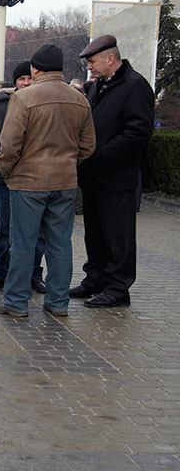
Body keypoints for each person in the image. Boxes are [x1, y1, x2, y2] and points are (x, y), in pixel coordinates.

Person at [0, 44, 95, 317]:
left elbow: (9, 145)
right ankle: (58, 303)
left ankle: (16, 302)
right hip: (65, 182)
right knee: (60, 243)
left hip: (28, 182)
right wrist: (69, 163)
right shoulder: (79, 99)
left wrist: (9, 171)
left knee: (23, 243)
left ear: (35, 69)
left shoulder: (23, 98)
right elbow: (88, 145)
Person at [71, 34, 155, 308]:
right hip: (94, 175)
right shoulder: (99, 86)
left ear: (111, 58)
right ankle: (95, 278)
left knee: (118, 235)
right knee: (94, 232)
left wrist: (103, 154)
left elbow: (138, 131)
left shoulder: (135, 85)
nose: (90, 68)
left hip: (116, 176)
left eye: (93, 61)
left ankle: (118, 288)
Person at [0, 61, 48, 294]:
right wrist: (1, 162)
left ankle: (35, 274)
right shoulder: (2, 106)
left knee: (37, 230)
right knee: (5, 227)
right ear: (15, 82)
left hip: (37, 178)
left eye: (29, 78)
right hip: (7, 178)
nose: (26, 83)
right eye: (22, 79)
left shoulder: (45, 103)